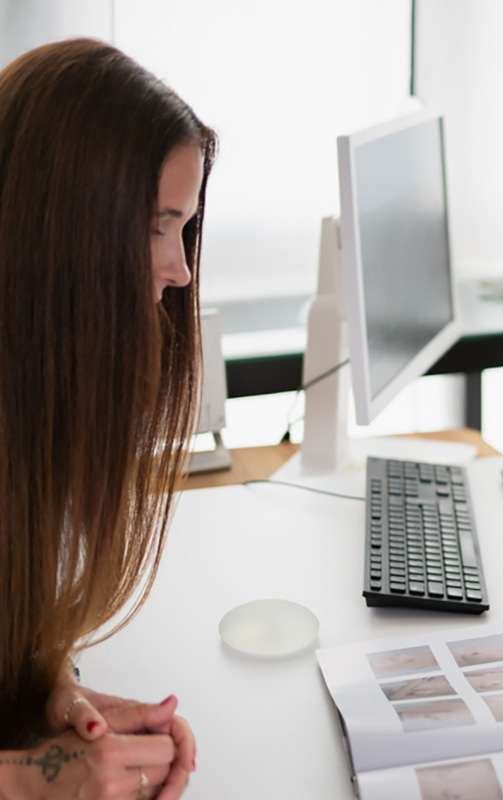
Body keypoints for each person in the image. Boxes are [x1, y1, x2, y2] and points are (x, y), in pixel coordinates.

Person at [0, 38, 216, 799]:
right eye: (159, 225)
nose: (180, 268)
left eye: (183, 227)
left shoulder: (30, 401)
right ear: (61, 233)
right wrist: (35, 778)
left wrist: (54, 686)